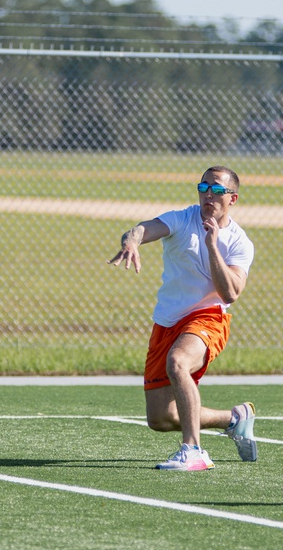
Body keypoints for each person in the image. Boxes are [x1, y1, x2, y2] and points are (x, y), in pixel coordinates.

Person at [108, 165, 257, 471]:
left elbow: (230, 293)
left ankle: (194, 451)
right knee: (162, 418)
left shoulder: (240, 242)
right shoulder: (181, 218)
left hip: (208, 318)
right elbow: (142, 228)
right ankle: (233, 418)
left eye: (217, 190)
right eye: (203, 188)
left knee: (178, 362)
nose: (208, 195)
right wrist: (132, 241)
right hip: (167, 321)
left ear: (233, 199)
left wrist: (212, 245)